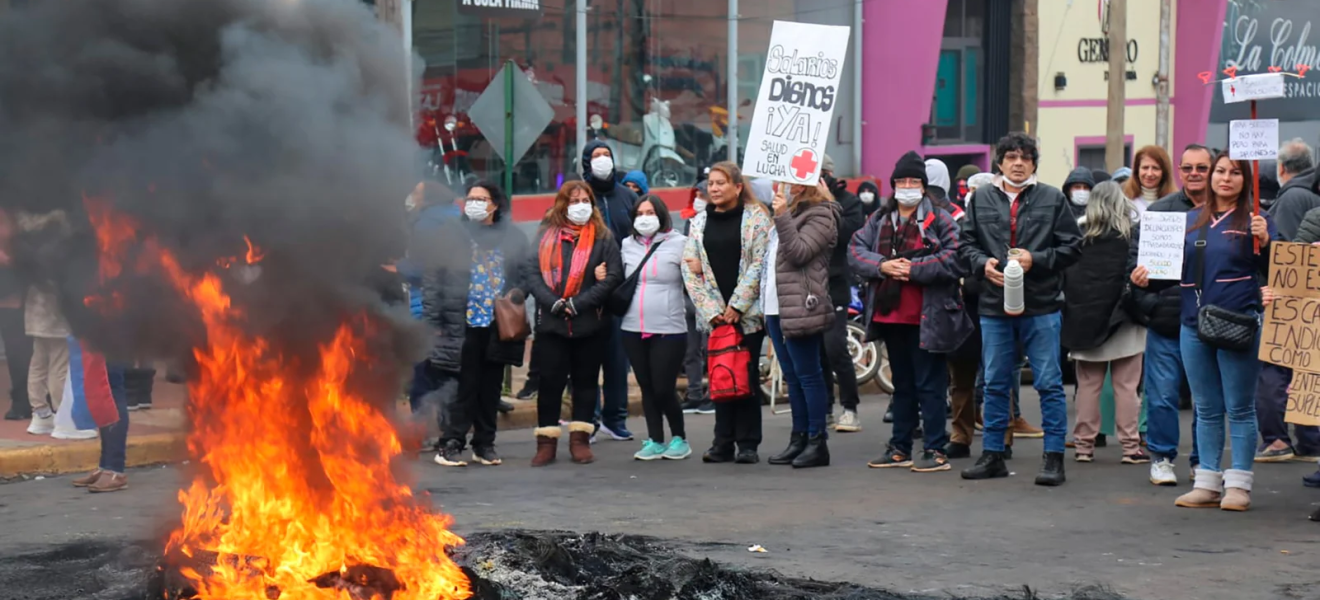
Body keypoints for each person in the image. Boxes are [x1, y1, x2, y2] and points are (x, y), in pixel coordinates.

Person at [958, 132, 1082, 486]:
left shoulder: (1052, 198)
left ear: (1033, 163)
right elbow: (965, 244)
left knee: (1048, 383)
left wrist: (1036, 259)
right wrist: (983, 264)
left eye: (1025, 157)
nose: (1017, 163)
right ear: (999, 162)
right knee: (996, 382)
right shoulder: (981, 198)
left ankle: (1054, 458)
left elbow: (1072, 247)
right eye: (1010, 157)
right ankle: (993, 454)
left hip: (1042, 304)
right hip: (994, 304)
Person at [1163, 151, 1276, 511]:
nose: (1225, 178)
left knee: (1240, 407)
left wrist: (1269, 242)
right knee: (1207, 407)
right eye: (1220, 171)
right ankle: (1207, 482)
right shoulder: (1190, 220)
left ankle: (1239, 484)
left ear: (1247, 180)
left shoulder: (1258, 221)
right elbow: (1165, 272)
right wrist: (1144, 278)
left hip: (1239, 323)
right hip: (1193, 324)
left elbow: (1282, 272)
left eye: (1235, 172)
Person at [851, 151, 971, 472]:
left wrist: (912, 270)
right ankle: (899, 447)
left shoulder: (941, 219)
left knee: (930, 384)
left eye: (913, 181)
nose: (906, 186)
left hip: (928, 316)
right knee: (901, 385)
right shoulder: (878, 219)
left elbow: (955, 258)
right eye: (901, 181)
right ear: (893, 185)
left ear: (924, 186)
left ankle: (934, 449)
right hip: (890, 316)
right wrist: (883, 265)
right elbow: (855, 251)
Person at [426, 181, 531, 468]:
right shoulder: (451, 234)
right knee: (463, 386)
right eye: (470, 197)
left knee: (490, 388)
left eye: (481, 198)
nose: (473, 202)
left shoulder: (513, 237)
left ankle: (484, 444)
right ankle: (451, 443)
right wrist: (435, 320)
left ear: (495, 204)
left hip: (498, 325)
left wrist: (516, 294)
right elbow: (433, 279)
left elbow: (526, 273)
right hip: (462, 323)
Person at [1129, 144, 1213, 486]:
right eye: (1188, 168)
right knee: (1162, 395)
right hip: (1166, 320)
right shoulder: (1161, 211)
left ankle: (1202, 461)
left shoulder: (1224, 212)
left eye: (1202, 168)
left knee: (1205, 398)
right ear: (1179, 172)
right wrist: (1146, 300)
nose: (1194, 174)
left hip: (1209, 321)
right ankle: (1161, 457)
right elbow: (1134, 261)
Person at [528, 181, 624, 466]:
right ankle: (546, 443)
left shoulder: (603, 237)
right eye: (574, 201)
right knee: (550, 384)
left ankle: (580, 440)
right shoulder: (545, 235)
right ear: (562, 204)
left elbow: (612, 277)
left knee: (585, 383)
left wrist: (577, 303)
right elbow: (532, 273)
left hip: (589, 324)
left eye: (585, 200)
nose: (581, 205)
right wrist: (555, 303)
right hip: (551, 324)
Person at [682, 162, 772, 464]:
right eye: (711, 183)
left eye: (721, 183)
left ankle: (747, 443)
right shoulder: (698, 222)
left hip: (745, 316)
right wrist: (713, 311)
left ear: (737, 187)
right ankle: (722, 442)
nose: (715, 188)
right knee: (721, 377)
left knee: (744, 376)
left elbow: (759, 264)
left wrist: (736, 305)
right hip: (715, 319)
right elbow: (689, 268)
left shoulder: (757, 219)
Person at [1061, 182, 1148, 464]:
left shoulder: (1077, 236)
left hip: (1085, 321)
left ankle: (1084, 446)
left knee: (1088, 386)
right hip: (1125, 320)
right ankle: (1130, 446)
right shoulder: (1132, 236)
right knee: (1126, 386)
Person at [764, 179, 839, 469]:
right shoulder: (790, 212)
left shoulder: (821, 213)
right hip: (776, 305)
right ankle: (799, 437)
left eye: (791, 180)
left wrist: (781, 215)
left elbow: (798, 252)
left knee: (809, 375)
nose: (783, 185)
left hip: (800, 304)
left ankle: (817, 441)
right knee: (793, 376)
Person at [1256, 139, 1320, 463]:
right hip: (1307, 305)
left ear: (1282, 169)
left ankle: (1278, 439)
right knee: (1307, 373)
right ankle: (1310, 442)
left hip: (1292, 305)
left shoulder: (1290, 199)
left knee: (1275, 371)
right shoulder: (1311, 198)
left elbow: (1284, 257)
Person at [620, 195, 692, 461]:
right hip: (632, 327)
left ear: (661, 215)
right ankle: (655, 439)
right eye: (640, 213)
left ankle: (679, 437)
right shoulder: (627, 245)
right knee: (647, 386)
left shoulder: (680, 244)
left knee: (663, 386)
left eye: (650, 212)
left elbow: (696, 279)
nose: (645, 217)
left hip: (669, 327)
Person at [581, 140, 638, 441]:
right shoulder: (578, 198)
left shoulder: (628, 197)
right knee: (587, 361)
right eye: (596, 156)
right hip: (586, 294)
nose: (603, 160)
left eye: (607, 155)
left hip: (619, 293)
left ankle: (615, 419)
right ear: (586, 162)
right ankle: (587, 420)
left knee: (618, 361)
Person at [948, 171, 996, 458]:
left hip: (995, 307)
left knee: (997, 376)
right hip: (964, 312)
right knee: (962, 378)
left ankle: (1001, 435)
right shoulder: (958, 225)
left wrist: (971, 280)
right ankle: (961, 435)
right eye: (972, 190)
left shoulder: (1002, 226)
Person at [819, 155, 866, 432]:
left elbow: (848, 232)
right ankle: (823, 407)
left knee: (835, 347)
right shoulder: (801, 201)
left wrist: (828, 203)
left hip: (836, 285)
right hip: (809, 287)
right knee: (816, 352)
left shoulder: (849, 201)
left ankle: (850, 407)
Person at [18, 210, 72, 436]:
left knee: (38, 363)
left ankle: (40, 413)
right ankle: (63, 415)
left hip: (34, 310)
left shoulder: (27, 246)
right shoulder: (56, 249)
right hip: (54, 312)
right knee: (59, 365)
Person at [680, 181, 714, 415]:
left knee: (709, 347)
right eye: (697, 194)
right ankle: (693, 394)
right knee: (691, 349)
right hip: (690, 294)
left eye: (704, 195)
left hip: (710, 296)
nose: (699, 199)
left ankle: (713, 394)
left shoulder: (717, 223)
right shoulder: (689, 222)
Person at [0, 208, 32, 422]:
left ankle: (23, 402)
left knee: (20, 355)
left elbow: (24, 265)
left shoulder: (21, 241)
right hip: (8, 301)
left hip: (12, 303)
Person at [1123, 146, 1177, 216]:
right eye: (1145, 168)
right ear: (1137, 170)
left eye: (1155, 168)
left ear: (1164, 172)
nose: (1149, 174)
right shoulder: (1124, 201)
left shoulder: (1175, 203)